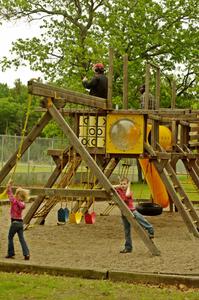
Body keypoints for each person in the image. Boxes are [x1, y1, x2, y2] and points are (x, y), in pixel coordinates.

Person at [114, 177, 154, 253]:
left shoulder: (130, 191)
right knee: (127, 231)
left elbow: (127, 195)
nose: (123, 185)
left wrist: (129, 186)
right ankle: (128, 247)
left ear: (128, 184)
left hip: (132, 211)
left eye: (124, 184)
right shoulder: (119, 191)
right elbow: (110, 187)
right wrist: (119, 186)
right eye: (122, 184)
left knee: (141, 219)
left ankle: (150, 228)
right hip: (124, 213)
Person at [5, 181, 30, 260]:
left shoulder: (15, 201)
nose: (15, 196)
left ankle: (10, 253)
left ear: (20, 196)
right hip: (20, 223)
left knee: (10, 237)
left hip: (15, 222)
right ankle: (26, 254)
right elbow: (12, 195)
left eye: (17, 195)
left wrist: (9, 187)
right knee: (21, 238)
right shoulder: (22, 204)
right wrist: (10, 187)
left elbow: (10, 195)